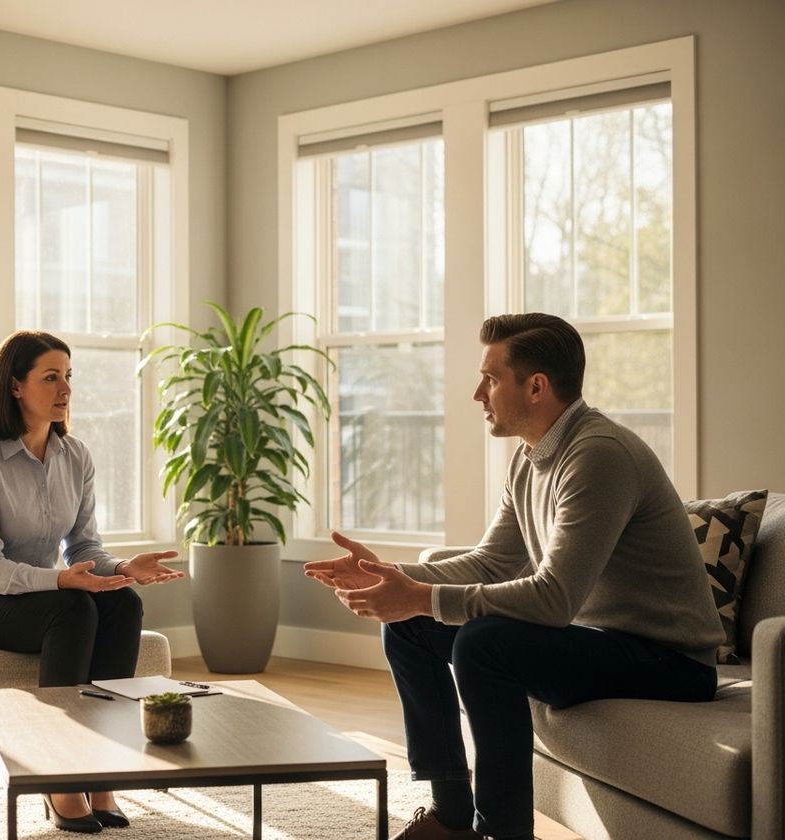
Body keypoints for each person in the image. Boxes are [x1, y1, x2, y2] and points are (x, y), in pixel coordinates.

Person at [305, 313, 722, 840]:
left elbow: (553, 599)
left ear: (537, 386)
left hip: (669, 661)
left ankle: (502, 831)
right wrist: (391, 576)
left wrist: (424, 595)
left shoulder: (598, 456)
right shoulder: (530, 458)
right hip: (600, 642)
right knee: (409, 624)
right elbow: (492, 563)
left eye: (491, 378)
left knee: (484, 642)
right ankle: (451, 817)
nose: (478, 393)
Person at [0, 329, 183, 834]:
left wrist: (122, 570)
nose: (64, 388)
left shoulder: (75, 455)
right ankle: (58, 777)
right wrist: (63, 581)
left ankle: (100, 772)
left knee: (122, 603)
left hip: (39, 596)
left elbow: (84, 547)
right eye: (50, 377)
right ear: (15, 386)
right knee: (72, 608)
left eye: (68, 377)